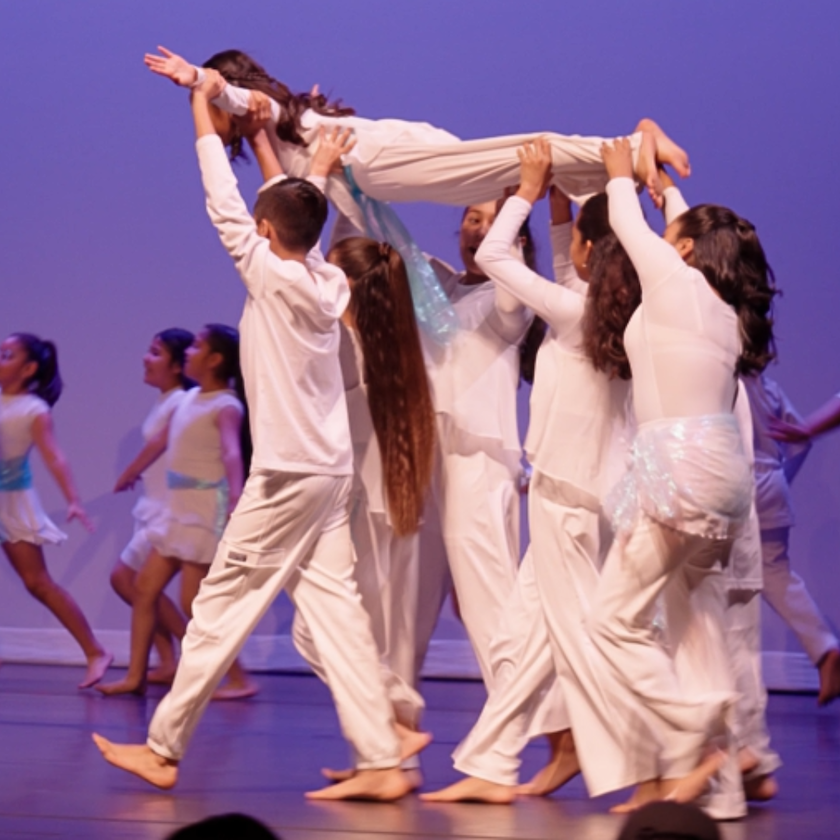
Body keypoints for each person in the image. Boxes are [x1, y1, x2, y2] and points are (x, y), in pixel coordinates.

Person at [93, 76, 428, 801]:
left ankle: (163, 749)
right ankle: (379, 755)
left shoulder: (270, 273)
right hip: (329, 475)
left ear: (265, 232)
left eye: (258, 221)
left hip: (287, 478)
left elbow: (221, 196)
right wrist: (322, 172)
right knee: (334, 609)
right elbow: (297, 218)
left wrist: (199, 108)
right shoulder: (326, 280)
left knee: (217, 608)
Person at [422, 140, 641, 804]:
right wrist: (555, 199)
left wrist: (525, 186)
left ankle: (647, 762)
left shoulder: (575, 313)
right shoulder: (587, 301)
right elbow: (564, 247)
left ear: (588, 258)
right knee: (521, 637)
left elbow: (495, 258)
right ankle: (491, 765)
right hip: (563, 494)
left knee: (583, 639)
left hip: (571, 500)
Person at [584, 137, 777, 818]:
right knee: (696, 627)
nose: (668, 238)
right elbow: (677, 226)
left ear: (687, 251)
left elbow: (633, 229)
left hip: (681, 472)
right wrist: (664, 185)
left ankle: (689, 727)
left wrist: (616, 179)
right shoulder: (723, 311)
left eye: (678, 236)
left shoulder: (674, 280)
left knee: (610, 620)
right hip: (719, 477)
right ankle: (718, 792)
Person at [142, 47, 692, 229]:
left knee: (516, 158)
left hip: (380, 162)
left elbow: (226, 93)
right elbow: (291, 202)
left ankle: (633, 147)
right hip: (387, 162)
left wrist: (197, 81)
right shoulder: (277, 126)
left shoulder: (267, 108)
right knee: (512, 177)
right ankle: (614, 176)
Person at [98, 325, 254, 699]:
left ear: (215, 360)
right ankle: (136, 675)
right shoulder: (188, 399)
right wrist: (132, 470)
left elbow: (232, 453)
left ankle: (239, 677)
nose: (189, 350)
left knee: (191, 602)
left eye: (197, 346)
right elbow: (160, 440)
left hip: (202, 513)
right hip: (175, 511)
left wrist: (236, 495)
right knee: (144, 588)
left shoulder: (225, 405)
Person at [0, 332, 112, 687]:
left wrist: (74, 500)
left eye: (6, 354)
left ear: (29, 368)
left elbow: (55, 457)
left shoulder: (34, 410)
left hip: (10, 501)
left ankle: (95, 651)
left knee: (37, 582)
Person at [743, 372, 840, 706]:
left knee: (712, 581)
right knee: (777, 575)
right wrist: (780, 481)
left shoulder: (724, 378)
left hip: (738, 486)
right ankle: (824, 647)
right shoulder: (766, 385)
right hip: (771, 485)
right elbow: (800, 439)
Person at [108, 329, 193, 685]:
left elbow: (161, 443)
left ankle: (192, 654)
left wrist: (131, 470)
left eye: (156, 353)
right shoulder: (165, 400)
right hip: (152, 506)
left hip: (167, 510)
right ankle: (169, 658)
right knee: (136, 585)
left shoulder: (181, 401)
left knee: (127, 580)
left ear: (177, 366)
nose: (146, 358)